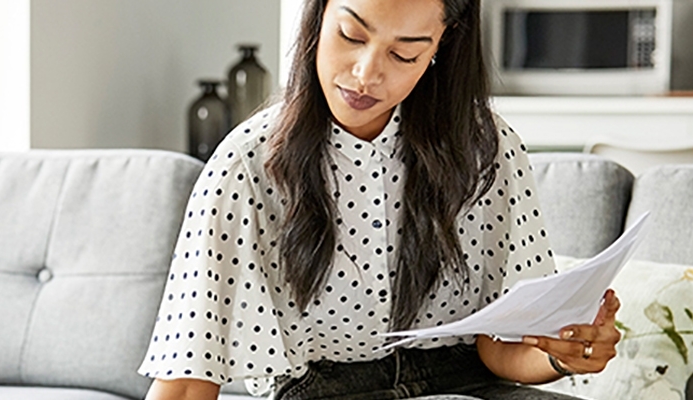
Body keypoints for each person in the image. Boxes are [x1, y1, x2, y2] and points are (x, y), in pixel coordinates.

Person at [139, 0, 622, 398]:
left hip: (469, 382)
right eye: (351, 35)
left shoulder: (486, 147)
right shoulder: (248, 163)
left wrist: (565, 352)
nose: (366, 74)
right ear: (319, 17)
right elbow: (186, 376)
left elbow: (502, 348)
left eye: (405, 55)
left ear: (440, 47)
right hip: (325, 389)